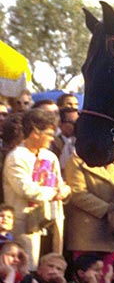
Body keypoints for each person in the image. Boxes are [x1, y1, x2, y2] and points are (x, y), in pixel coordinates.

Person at [3, 107, 70, 265]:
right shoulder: (16, 157)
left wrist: (65, 190)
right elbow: (26, 189)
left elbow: (61, 185)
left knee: (52, 269)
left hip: (53, 222)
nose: (52, 139)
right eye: (49, 134)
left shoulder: (50, 156)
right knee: (27, 269)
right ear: (35, 132)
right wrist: (55, 193)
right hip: (27, 225)